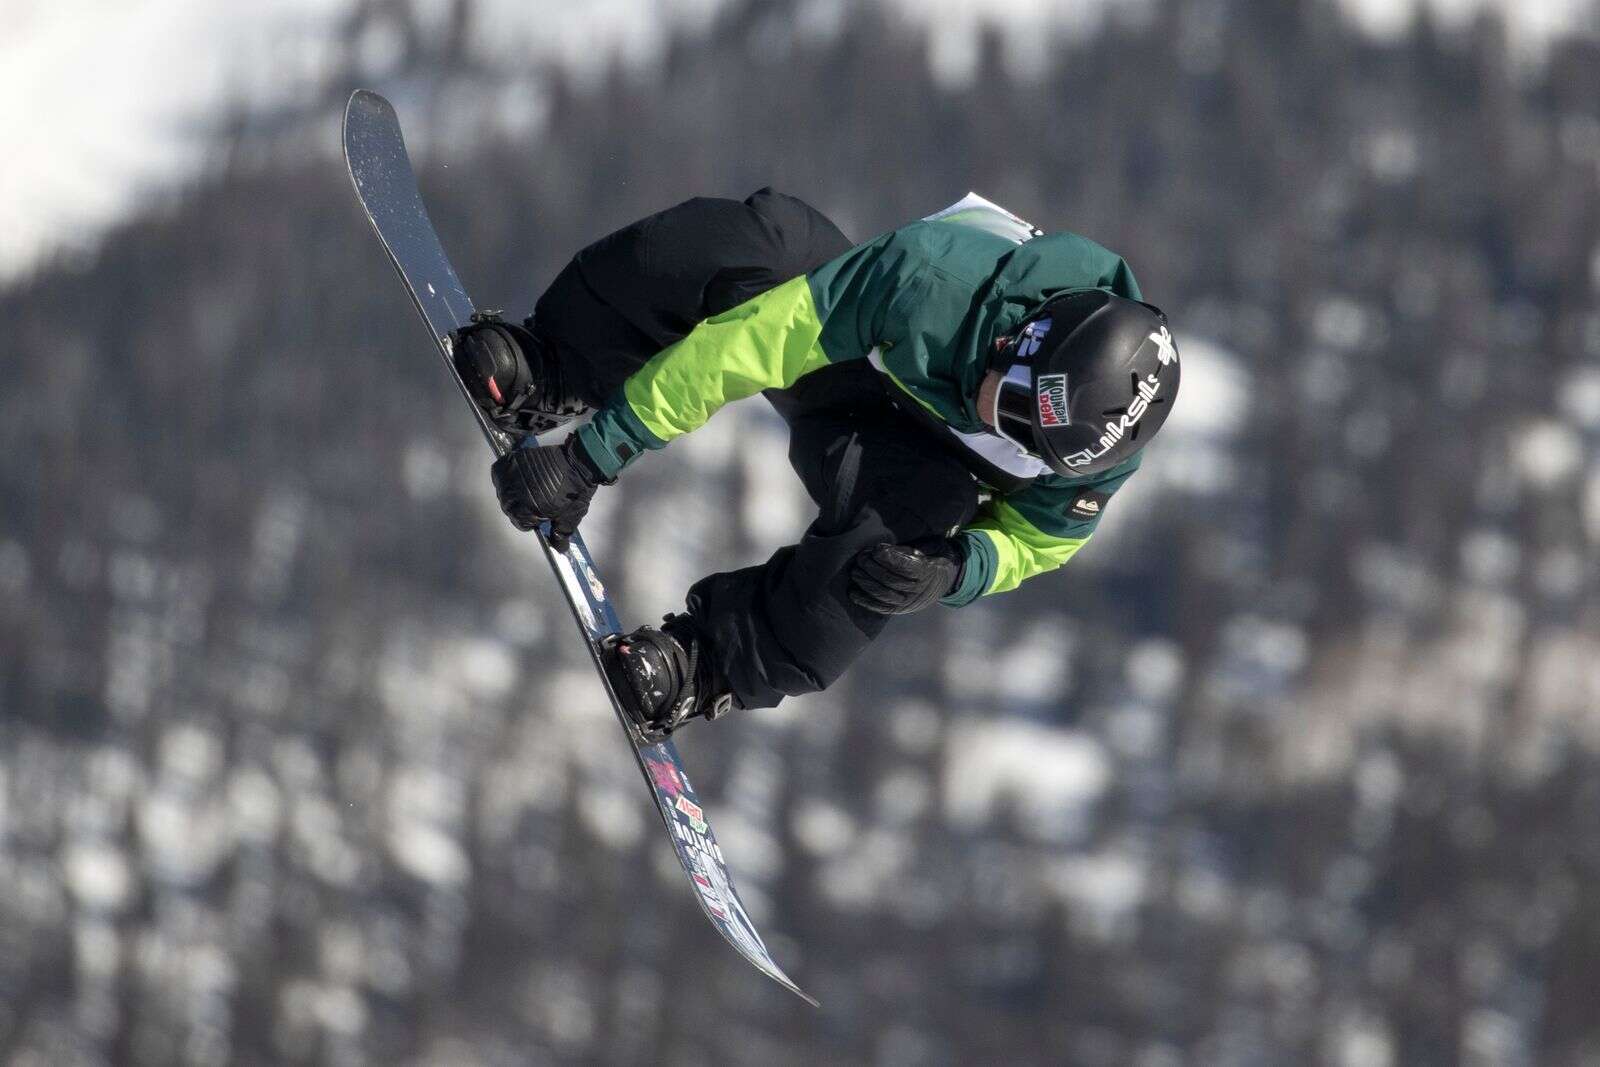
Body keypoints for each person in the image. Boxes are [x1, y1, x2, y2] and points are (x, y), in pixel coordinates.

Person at [451, 189, 1180, 737]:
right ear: (1028, 336)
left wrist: (961, 569)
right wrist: (590, 456)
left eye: (1029, 438)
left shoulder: (1098, 454)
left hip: (908, 467)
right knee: (747, 243)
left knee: (901, 550)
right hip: (851, 358)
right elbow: (754, 344)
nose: (1003, 422)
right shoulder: (929, 285)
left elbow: (1043, 539)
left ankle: (705, 661)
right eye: (1014, 402)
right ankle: (559, 365)